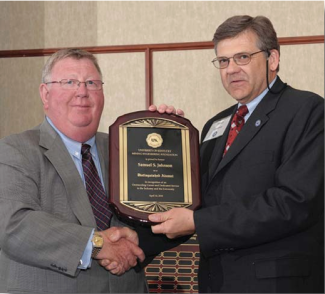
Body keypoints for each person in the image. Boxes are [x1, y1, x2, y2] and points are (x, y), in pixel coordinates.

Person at [148, 15, 324, 293]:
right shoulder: (214, 125)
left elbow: (294, 203)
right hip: (216, 282)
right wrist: (169, 137)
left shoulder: (306, 110)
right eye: (223, 61)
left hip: (277, 283)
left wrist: (198, 222)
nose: (231, 69)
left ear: (272, 59)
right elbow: (193, 199)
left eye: (242, 57)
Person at [0, 48, 185, 293]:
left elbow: (170, 213)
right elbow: (14, 225)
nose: (82, 92)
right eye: (69, 82)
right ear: (45, 94)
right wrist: (97, 244)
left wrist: (171, 139)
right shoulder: (15, 150)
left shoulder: (125, 148)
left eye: (92, 83)